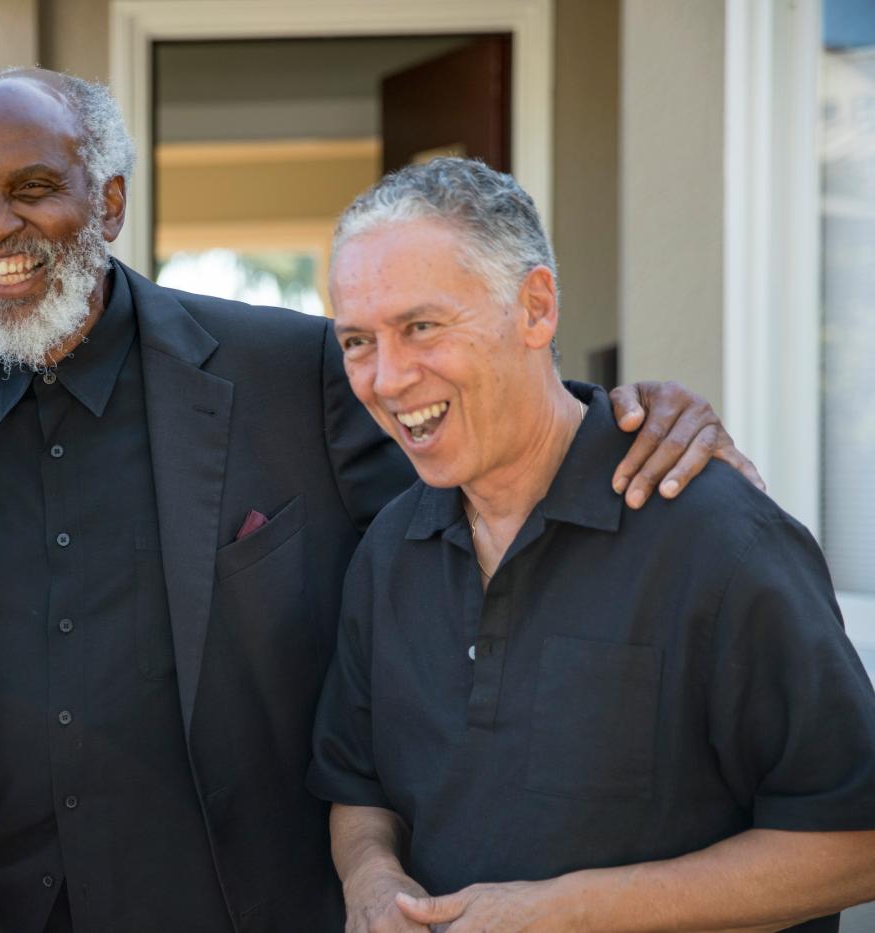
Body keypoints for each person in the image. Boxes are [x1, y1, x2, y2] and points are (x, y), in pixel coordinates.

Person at [0, 71, 759, 933]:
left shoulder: (290, 370)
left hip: (247, 904)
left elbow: (471, 449)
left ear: (111, 201)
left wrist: (629, 413)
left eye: (34, 187)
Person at [309, 158, 875, 933]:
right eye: (357, 341)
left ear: (536, 308)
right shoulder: (387, 550)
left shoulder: (721, 540)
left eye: (421, 327)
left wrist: (562, 913)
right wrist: (373, 884)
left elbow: (857, 840)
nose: (387, 376)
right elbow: (358, 780)